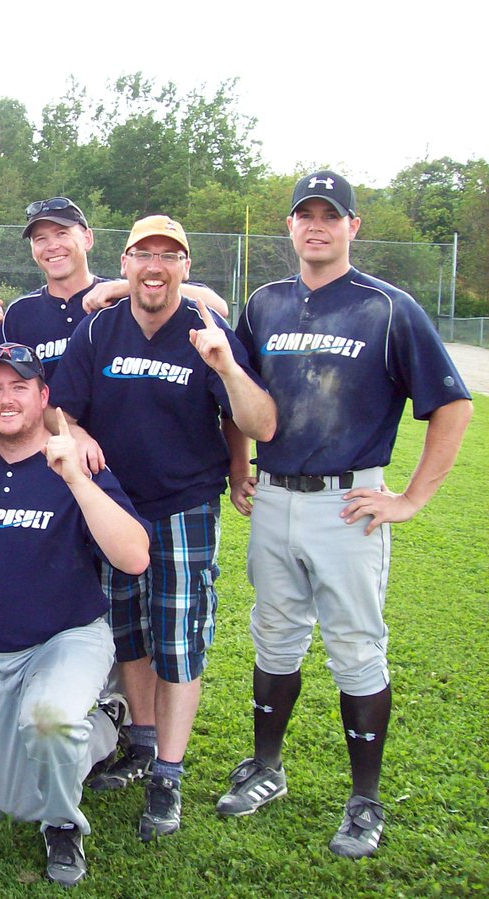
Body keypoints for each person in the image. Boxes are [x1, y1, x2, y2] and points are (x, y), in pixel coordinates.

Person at [217, 170, 472, 858]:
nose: (318, 225)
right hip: (274, 496)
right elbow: (234, 391)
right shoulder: (266, 303)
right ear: (292, 226)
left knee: (356, 648)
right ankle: (267, 767)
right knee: (273, 636)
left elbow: (451, 403)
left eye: (332, 215)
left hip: (348, 502)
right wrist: (238, 466)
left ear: (353, 226)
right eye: (306, 214)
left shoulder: (387, 307)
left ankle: (365, 799)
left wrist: (411, 497)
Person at [50, 215, 276, 841]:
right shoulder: (98, 328)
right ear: (124, 264)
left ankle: (168, 774)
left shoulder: (205, 330)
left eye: (169, 256)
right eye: (143, 254)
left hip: (184, 505)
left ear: (185, 266)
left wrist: (228, 369)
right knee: (130, 633)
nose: (155, 266)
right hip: (117, 507)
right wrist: (82, 432)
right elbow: (59, 407)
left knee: (178, 639)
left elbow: (259, 423)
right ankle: (143, 743)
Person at [0, 343, 149, 888]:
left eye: (20, 386)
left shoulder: (75, 466)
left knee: (48, 722)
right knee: (11, 803)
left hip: (67, 637)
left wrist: (76, 477)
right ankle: (106, 724)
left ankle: (63, 827)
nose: (6, 399)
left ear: (43, 397)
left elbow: (135, 556)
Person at [3, 197, 229, 382]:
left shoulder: (119, 298)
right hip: (55, 433)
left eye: (62, 233)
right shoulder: (20, 313)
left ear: (87, 239)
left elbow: (218, 306)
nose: (52, 246)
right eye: (40, 239)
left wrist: (125, 287)